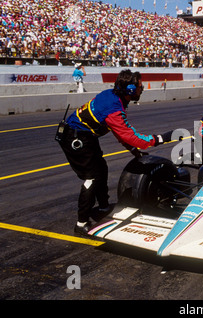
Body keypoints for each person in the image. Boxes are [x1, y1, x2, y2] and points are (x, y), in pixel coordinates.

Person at [58, 69, 173, 235]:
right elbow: (130, 136)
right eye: (140, 87)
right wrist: (161, 139)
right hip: (76, 137)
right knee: (92, 177)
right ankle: (81, 223)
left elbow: (118, 131)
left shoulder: (112, 96)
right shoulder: (113, 106)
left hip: (84, 135)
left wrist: (133, 151)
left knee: (101, 168)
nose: (142, 90)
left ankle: (103, 207)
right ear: (131, 90)